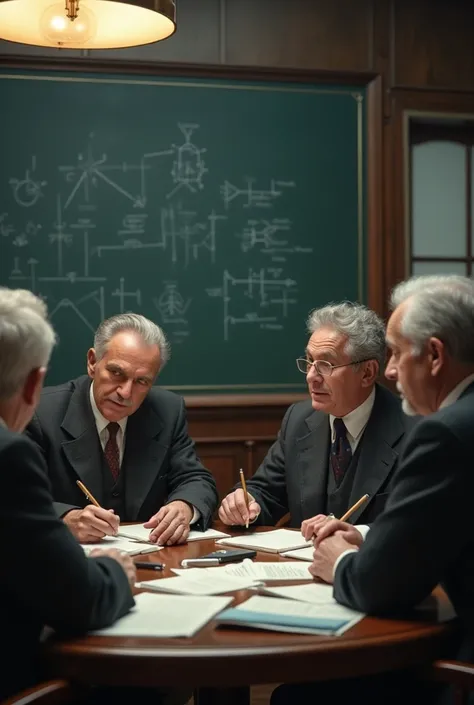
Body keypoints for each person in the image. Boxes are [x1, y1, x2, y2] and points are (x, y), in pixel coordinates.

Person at [273, 273, 474, 705]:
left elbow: (380, 586)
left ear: (435, 356)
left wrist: (341, 558)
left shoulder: (446, 433)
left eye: (399, 353)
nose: (391, 370)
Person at [0, 287, 135, 702]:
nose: (127, 391)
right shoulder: (9, 454)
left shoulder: (167, 412)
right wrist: (115, 570)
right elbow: (79, 600)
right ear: (33, 384)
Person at [219, 302, 414, 537]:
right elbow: (267, 492)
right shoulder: (299, 420)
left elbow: (420, 523)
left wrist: (360, 534)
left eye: (326, 364)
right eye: (310, 361)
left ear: (367, 373)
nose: (311, 376)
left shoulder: (413, 430)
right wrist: (246, 501)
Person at [25, 313, 218, 545]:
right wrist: (66, 518)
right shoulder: (40, 413)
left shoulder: (167, 410)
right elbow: (15, 495)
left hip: (151, 560)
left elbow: (196, 479)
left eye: (141, 382)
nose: (125, 393)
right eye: (117, 373)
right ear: (92, 362)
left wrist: (184, 507)